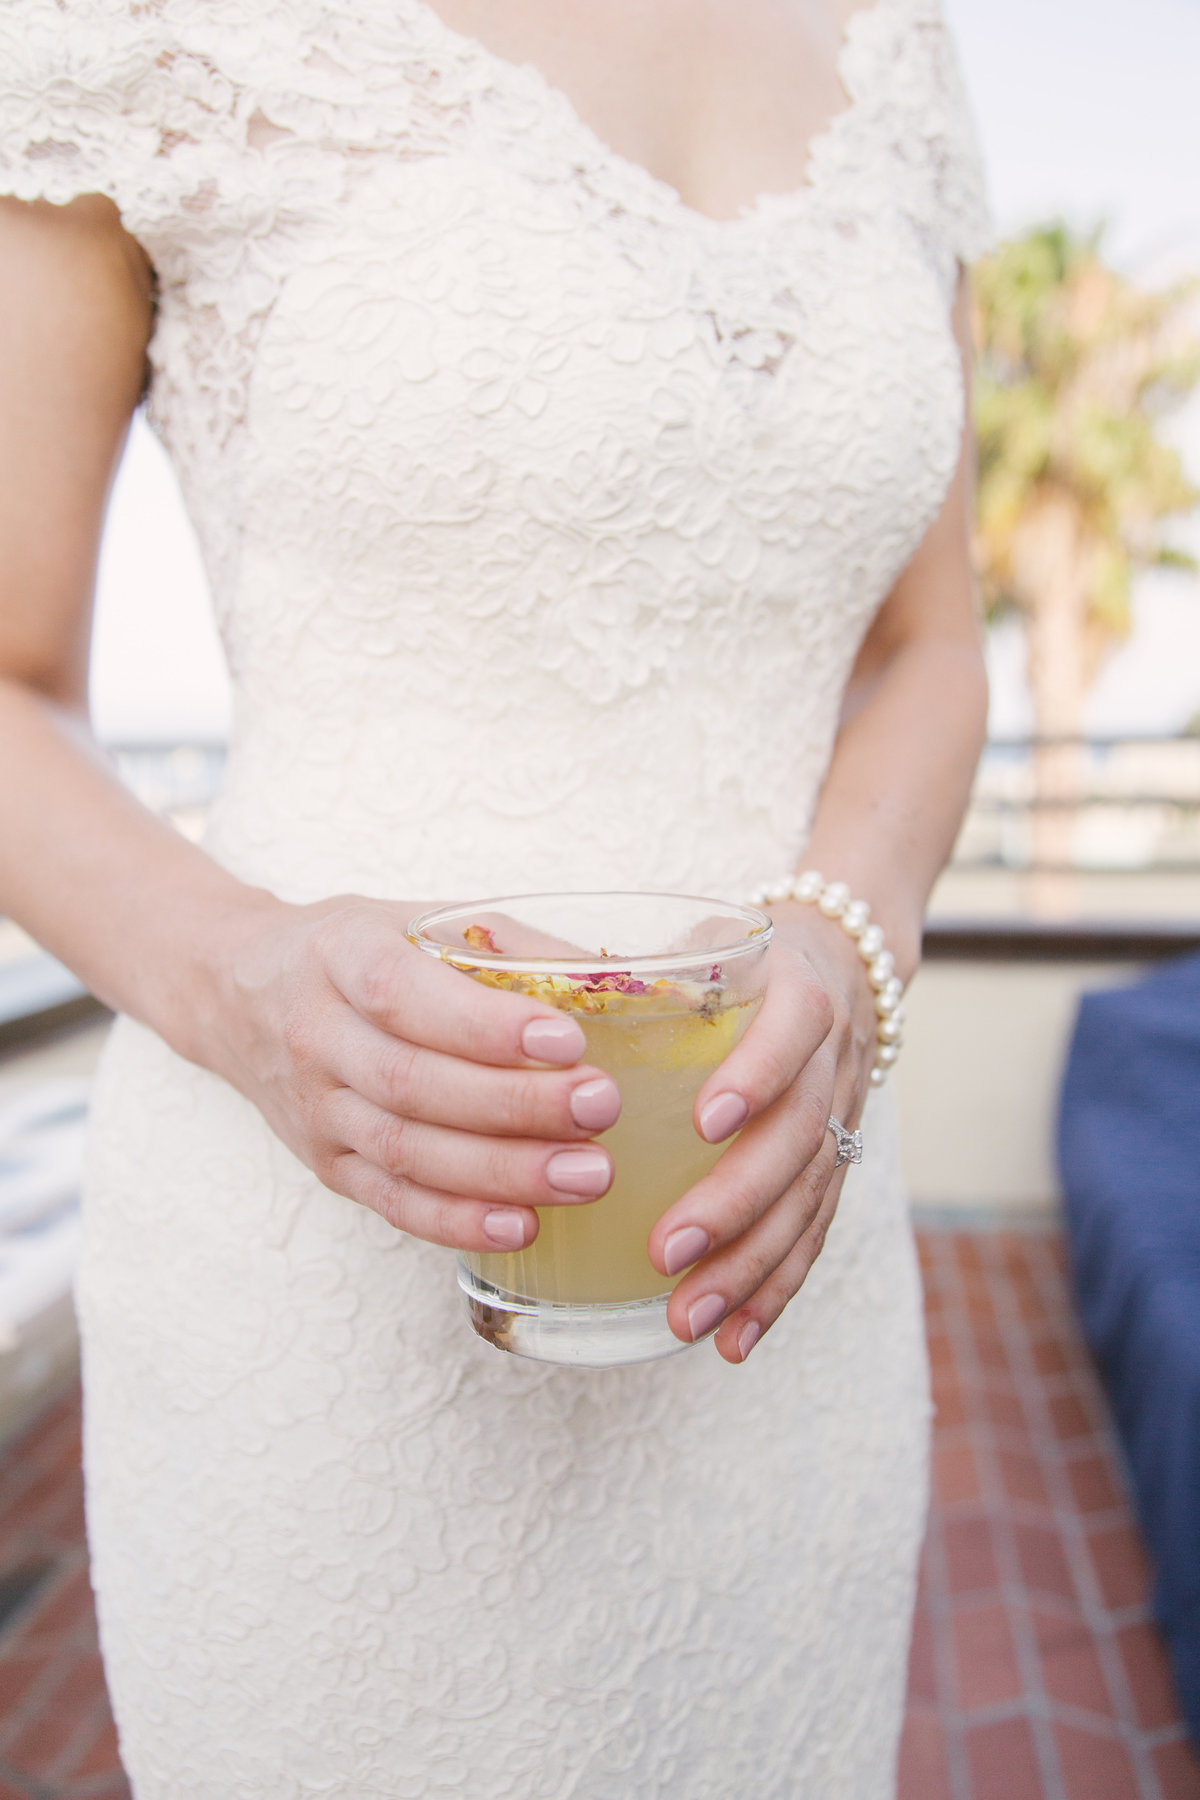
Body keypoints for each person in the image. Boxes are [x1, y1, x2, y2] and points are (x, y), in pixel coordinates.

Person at [0, 0, 990, 1792]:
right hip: (321, 1260)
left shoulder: (901, 45)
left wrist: (850, 943)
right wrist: (244, 982)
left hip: (790, 1257)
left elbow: (931, 650)